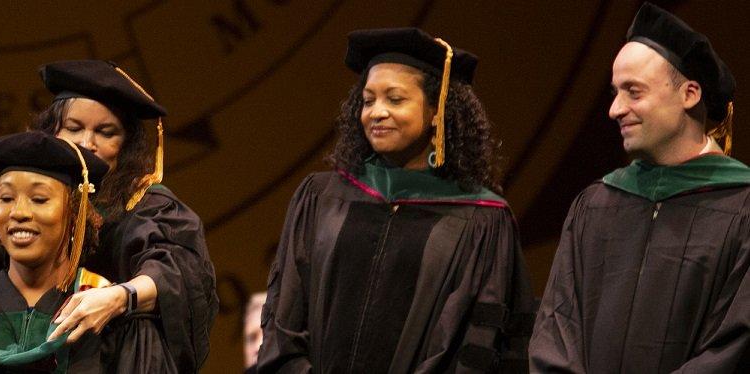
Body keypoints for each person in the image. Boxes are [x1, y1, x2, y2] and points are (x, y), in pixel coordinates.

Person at [0, 60, 217, 372]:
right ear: (52, 132)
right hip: (1, 327)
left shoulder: (147, 208)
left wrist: (121, 299)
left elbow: (179, 272)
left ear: (127, 145)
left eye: (106, 132)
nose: (86, 143)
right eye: (73, 127)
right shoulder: (2, 202)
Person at [258, 27, 535, 373]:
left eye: (395, 99)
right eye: (368, 100)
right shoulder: (321, 197)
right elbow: (284, 318)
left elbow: (479, 345)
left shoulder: (482, 219)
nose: (376, 112)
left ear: (437, 110)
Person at [529, 3, 749, 373]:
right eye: (615, 92)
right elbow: (556, 328)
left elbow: (736, 345)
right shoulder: (596, 204)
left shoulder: (741, 206)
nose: (615, 109)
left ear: (690, 94)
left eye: (633, 91)